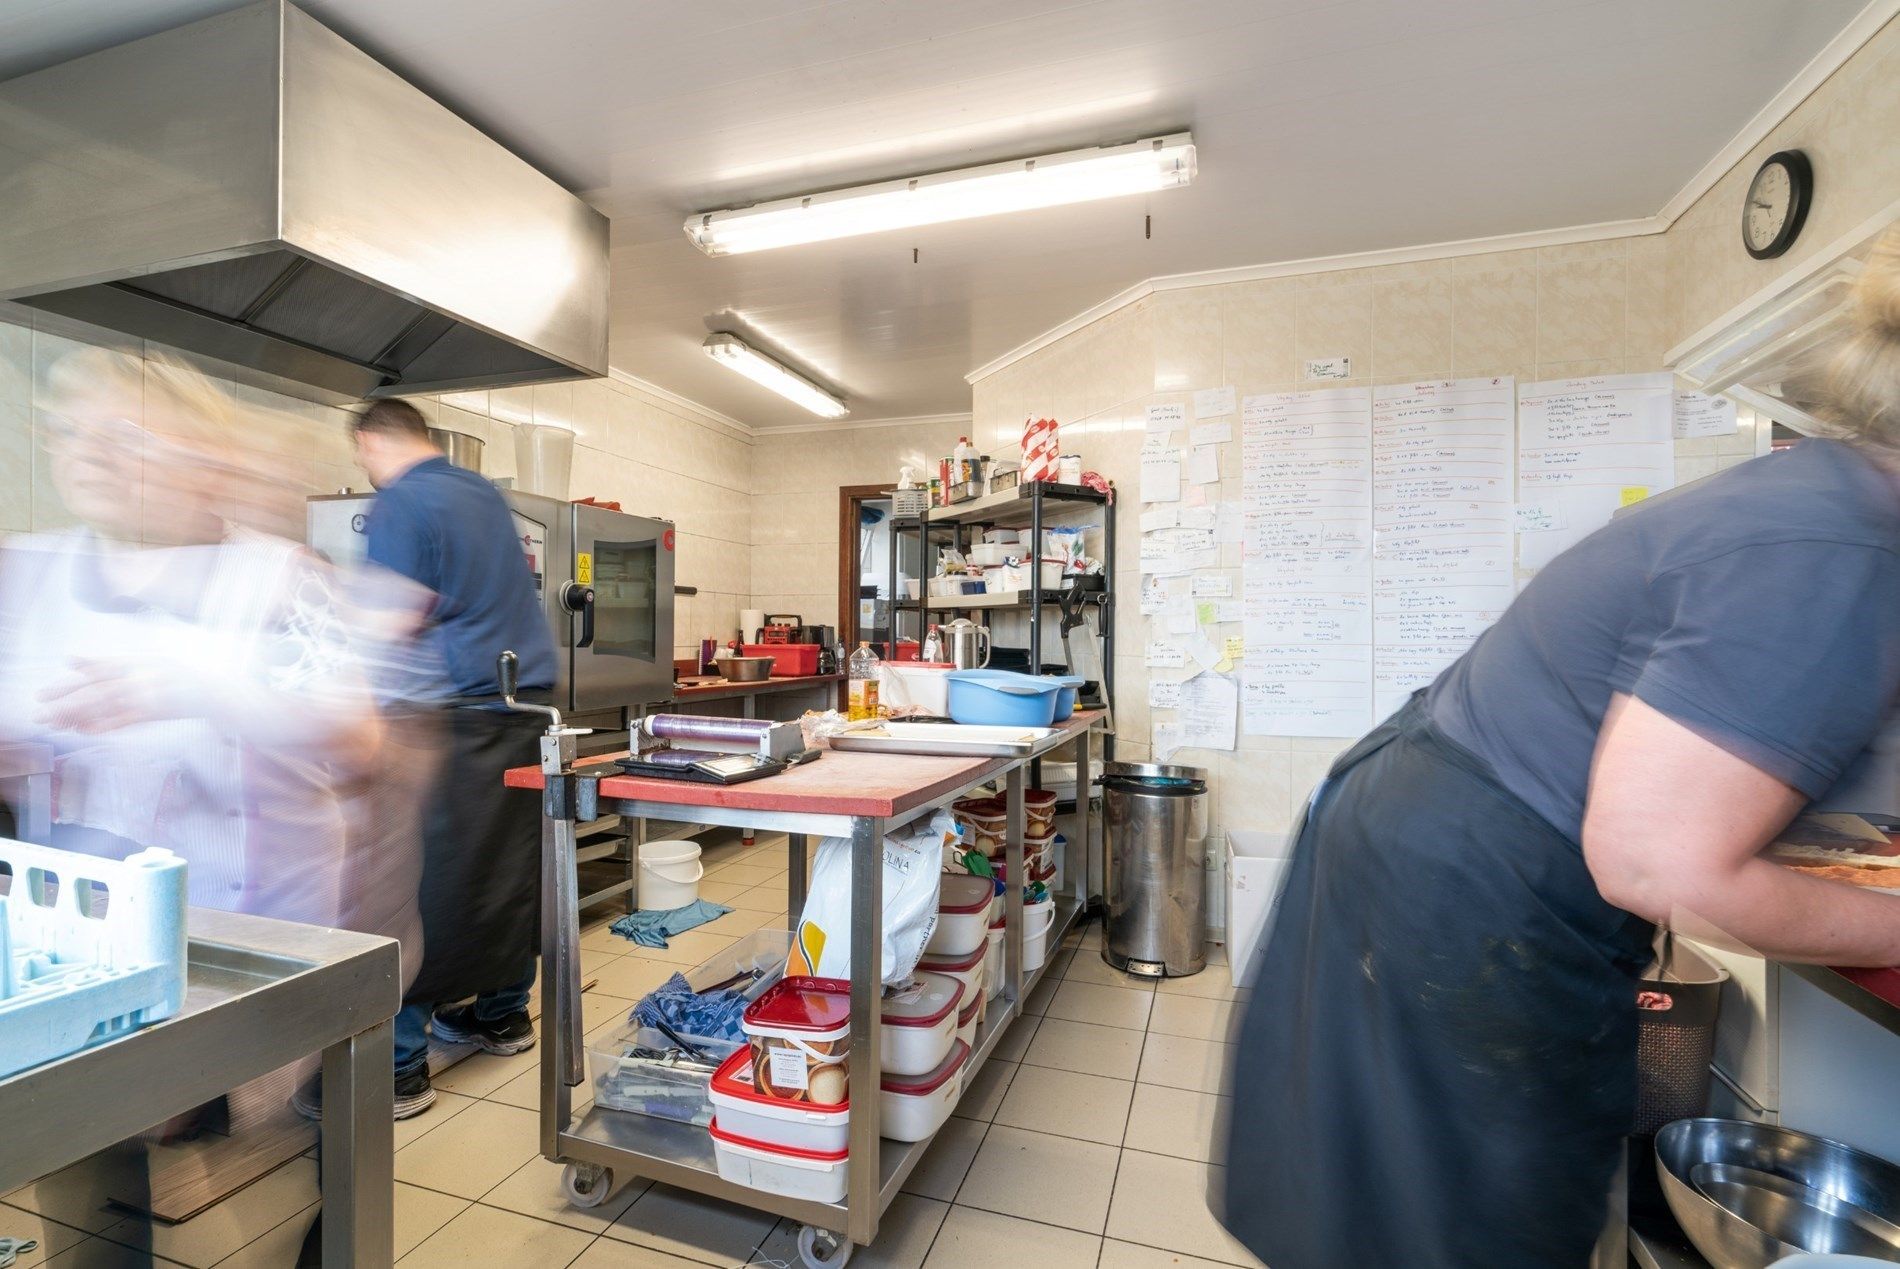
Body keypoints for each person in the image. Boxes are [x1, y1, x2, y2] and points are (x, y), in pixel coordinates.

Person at [1220, 227, 1900, 1268]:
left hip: (1438, 838)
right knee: (1456, 1222)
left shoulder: (1824, 510)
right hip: (1472, 886)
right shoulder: (1836, 546)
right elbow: (1653, 858)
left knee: (1405, 1208)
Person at [294, 399, 558, 1121]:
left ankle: (397, 1066)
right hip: (521, 705)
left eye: (362, 457)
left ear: (372, 439)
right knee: (506, 866)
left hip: (449, 713)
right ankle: (502, 1014)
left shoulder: (402, 501)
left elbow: (389, 623)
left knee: (415, 881)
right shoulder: (480, 493)